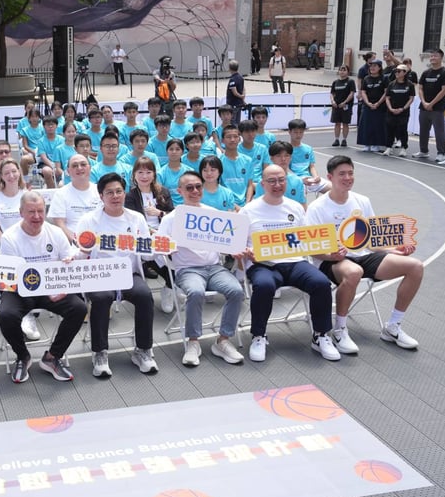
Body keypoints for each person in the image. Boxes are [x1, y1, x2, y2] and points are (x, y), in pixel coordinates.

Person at [306, 155, 423, 352]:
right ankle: (340, 329)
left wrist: (394, 250)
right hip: (330, 260)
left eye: (350, 173)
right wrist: (331, 255)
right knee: (353, 272)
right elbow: (312, 249)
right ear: (330, 177)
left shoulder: (362, 201)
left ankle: (393, 327)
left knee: (415, 266)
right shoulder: (316, 208)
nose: (347, 177)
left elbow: (371, 239)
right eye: (342, 174)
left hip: (363, 256)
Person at [239, 165, 336, 362]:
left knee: (321, 282)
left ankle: (321, 335)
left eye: (281, 180)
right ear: (263, 184)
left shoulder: (295, 207)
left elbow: (307, 240)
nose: (277, 185)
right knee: (264, 286)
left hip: (295, 262)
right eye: (272, 181)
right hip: (263, 264)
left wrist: (331, 252)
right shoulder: (248, 210)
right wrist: (246, 254)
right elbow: (239, 247)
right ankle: (259, 335)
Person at [74, 174, 158, 378]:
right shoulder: (88, 220)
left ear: (124, 193)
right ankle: (100, 352)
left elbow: (147, 254)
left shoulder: (136, 218)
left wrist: (158, 246)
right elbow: (79, 254)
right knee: (102, 298)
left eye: (119, 191)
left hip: (128, 273)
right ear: (101, 196)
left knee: (145, 296)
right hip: (100, 275)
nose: (115, 196)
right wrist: (83, 251)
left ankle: (143, 350)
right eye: (109, 192)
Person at [0, 192, 87, 383]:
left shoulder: (55, 232)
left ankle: (53, 357)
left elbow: (67, 262)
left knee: (79, 308)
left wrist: (64, 285)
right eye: (31, 212)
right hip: (19, 289)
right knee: (6, 316)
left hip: (51, 286)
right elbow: (15, 276)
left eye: (40, 211)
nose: (37, 216)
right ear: (21, 212)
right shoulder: (9, 237)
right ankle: (22, 356)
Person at [159, 172, 245, 367]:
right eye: (189, 188)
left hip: (214, 267)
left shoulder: (212, 213)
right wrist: (168, 251)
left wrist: (235, 249)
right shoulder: (171, 218)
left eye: (198, 186)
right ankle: (193, 342)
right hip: (188, 270)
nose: (195, 191)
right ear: (179, 191)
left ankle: (223, 340)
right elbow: (159, 250)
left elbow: (226, 243)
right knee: (196, 292)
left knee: (236, 291)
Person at [124, 156, 173, 285]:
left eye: (148, 172)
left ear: (154, 175)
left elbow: (173, 216)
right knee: (165, 266)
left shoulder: (163, 192)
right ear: (134, 175)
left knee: (177, 261)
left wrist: (160, 213)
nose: (144, 176)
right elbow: (131, 223)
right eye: (140, 172)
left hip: (165, 233)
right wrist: (151, 231)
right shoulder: (130, 197)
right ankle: (169, 282)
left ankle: (170, 287)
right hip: (144, 237)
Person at [47, 154, 101, 243]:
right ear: (68, 171)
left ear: (90, 168)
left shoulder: (101, 191)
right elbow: (60, 224)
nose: (79, 168)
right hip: (73, 243)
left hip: (101, 242)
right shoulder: (61, 194)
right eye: (75, 165)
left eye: (83, 164)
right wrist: (78, 242)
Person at [416, 48, 445, 162]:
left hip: (437, 108)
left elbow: (444, 91)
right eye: (431, 56)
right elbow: (420, 88)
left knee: (439, 131)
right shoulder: (426, 73)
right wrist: (424, 102)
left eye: (435, 56)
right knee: (423, 130)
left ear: (441, 58)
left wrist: (431, 103)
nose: (432, 58)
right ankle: (423, 151)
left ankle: (441, 153)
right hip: (424, 107)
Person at [384, 66, 416, 157]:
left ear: (404, 72)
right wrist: (390, 108)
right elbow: (387, 98)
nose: (396, 73)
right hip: (391, 111)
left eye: (399, 71)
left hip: (403, 112)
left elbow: (411, 98)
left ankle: (404, 148)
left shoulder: (410, 85)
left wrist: (403, 108)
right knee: (390, 129)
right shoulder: (391, 84)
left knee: (402, 129)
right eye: (395, 71)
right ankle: (388, 147)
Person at [358, 59, 388, 153]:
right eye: (371, 66)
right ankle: (367, 144)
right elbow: (363, 91)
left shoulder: (384, 78)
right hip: (368, 105)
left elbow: (386, 92)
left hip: (380, 106)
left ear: (379, 67)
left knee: (378, 125)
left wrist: (378, 103)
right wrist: (368, 103)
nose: (372, 68)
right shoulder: (366, 78)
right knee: (366, 124)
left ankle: (376, 144)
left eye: (375, 66)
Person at [329, 65, 356, 147]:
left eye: (344, 70)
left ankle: (344, 139)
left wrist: (345, 102)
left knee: (345, 123)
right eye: (341, 70)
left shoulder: (350, 82)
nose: (342, 72)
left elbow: (351, 93)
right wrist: (333, 101)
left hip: (346, 106)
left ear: (347, 72)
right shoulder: (335, 82)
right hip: (336, 106)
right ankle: (336, 139)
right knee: (337, 123)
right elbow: (332, 93)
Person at [225, 60, 245, 124]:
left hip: (233, 104)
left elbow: (234, 92)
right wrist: (243, 97)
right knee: (238, 121)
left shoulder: (232, 79)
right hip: (239, 103)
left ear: (230, 68)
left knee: (232, 121)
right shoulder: (241, 77)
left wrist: (240, 96)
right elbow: (243, 88)